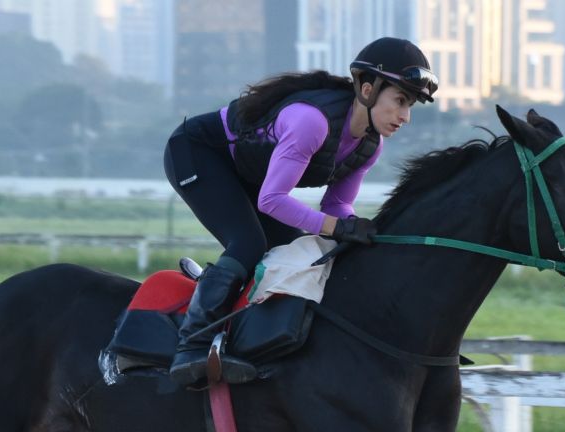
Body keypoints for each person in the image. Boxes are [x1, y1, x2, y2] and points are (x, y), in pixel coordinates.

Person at [162, 36, 438, 387]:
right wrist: (336, 228)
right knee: (248, 244)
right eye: (400, 101)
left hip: (248, 173)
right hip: (197, 152)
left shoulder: (371, 146)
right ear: (368, 90)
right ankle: (192, 346)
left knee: (295, 254)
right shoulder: (312, 123)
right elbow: (272, 200)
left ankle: (245, 339)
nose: (405, 117)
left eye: (410, 105)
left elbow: (336, 206)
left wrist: (359, 229)